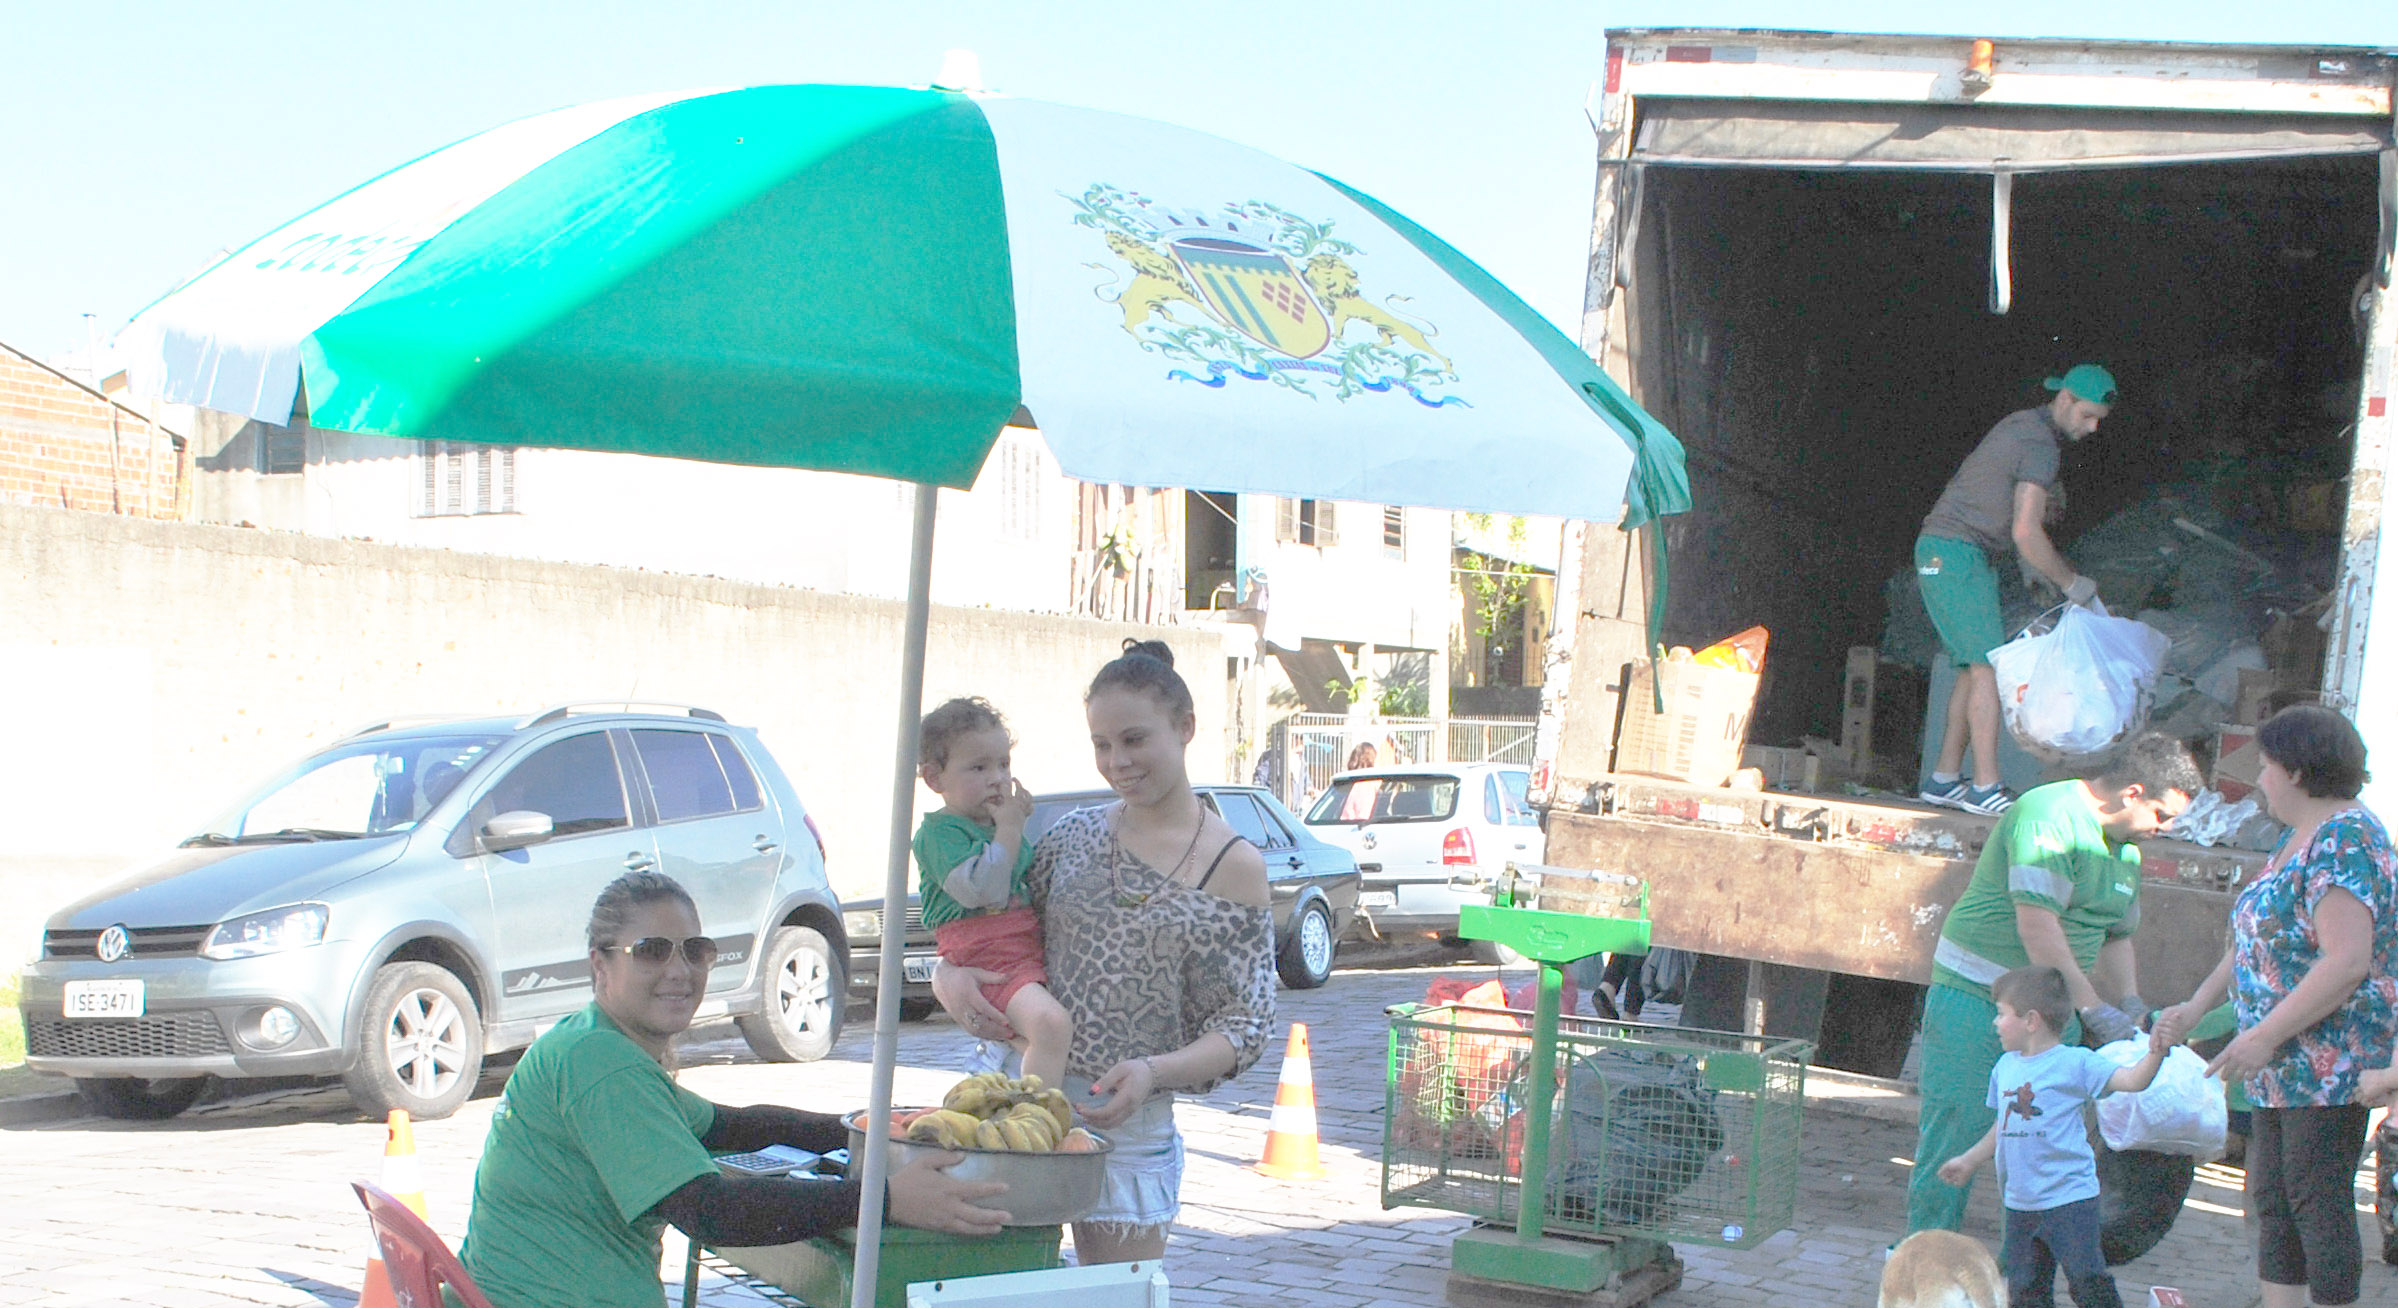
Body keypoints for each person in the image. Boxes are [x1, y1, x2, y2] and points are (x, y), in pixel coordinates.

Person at [458, 871, 1009, 1308]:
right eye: (651, 950)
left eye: (694, 949)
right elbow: (709, 1212)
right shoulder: (602, 1064)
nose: (679, 970)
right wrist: (886, 1201)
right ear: (599, 965)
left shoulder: (592, 1042)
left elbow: (737, 1124)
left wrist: (872, 1130)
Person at [933, 638, 1278, 1265]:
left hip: (1127, 1126)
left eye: (1134, 739)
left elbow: (1244, 1027)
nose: (1117, 761)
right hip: (1009, 1100)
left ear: (1186, 728)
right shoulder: (1071, 836)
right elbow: (998, 933)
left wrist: (1152, 1072)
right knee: (996, 1287)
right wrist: (945, 975)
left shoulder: (1235, 866)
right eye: (1101, 744)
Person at [1906, 732, 2199, 1235]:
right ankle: (1923, 1258)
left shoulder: (2124, 850)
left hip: (2050, 1014)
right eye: (2161, 814)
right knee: (1956, 1127)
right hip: (1980, 999)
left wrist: (2128, 1002)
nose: (2165, 828)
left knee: (2037, 1140)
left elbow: (2116, 936)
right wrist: (2092, 1009)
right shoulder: (2049, 814)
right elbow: (2037, 925)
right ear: (2131, 793)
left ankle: (2020, 1270)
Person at [2155, 705, 2395, 1308]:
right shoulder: (2302, 836)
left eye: (2263, 766)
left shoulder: (2348, 839)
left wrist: (2264, 1035)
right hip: (2282, 1061)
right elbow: (2254, 943)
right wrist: (2195, 1006)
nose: (2258, 780)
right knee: (2275, 1198)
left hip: (2327, 1059)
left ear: (2294, 770)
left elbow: (2346, 960)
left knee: (2315, 1199)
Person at [1916, 364, 2118, 816]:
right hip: (1953, 553)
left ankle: (1944, 778)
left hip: (1957, 554)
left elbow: (2017, 523)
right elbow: (2027, 531)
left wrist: (2033, 567)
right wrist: (2071, 583)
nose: (2092, 428)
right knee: (1989, 669)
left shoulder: (2023, 426)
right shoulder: (2040, 445)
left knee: (1974, 667)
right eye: (2087, 415)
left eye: (2098, 420)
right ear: (2064, 398)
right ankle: (1986, 787)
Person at [1938, 965, 2170, 1308]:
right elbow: (2002, 1127)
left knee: (2087, 1278)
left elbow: (2132, 1081)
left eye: (2002, 1014)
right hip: (2020, 1203)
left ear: (2031, 1020)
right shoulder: (2005, 1067)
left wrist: (2156, 1053)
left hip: (2070, 1198)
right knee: (2026, 1288)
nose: (1995, 1022)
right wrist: (1969, 1160)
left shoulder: (2076, 1063)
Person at [913, 696, 1072, 1091]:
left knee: (1040, 1034)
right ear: (935, 779)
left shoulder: (998, 826)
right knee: (1050, 1025)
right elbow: (985, 891)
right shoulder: (939, 833)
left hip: (1020, 947)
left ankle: (1022, 1096)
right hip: (986, 951)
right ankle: (1038, 1124)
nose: (998, 778)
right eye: (979, 767)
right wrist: (1009, 831)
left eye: (1004, 765)